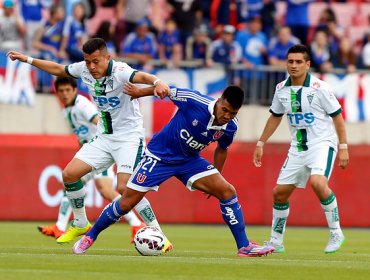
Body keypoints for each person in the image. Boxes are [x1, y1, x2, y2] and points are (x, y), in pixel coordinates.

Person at [7, 38, 173, 252]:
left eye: (96, 62)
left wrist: (157, 81)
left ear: (107, 58)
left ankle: (158, 232)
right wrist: (27, 59)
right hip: (104, 138)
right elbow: (58, 69)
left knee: (125, 188)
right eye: (88, 62)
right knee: (69, 175)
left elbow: (143, 77)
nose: (92, 67)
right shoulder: (84, 70)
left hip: (129, 138)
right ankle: (80, 222)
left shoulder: (121, 71)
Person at [72, 83, 275, 257]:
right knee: (126, 201)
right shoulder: (195, 101)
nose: (227, 116)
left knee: (227, 191)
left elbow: (222, 149)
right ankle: (90, 236)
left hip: (189, 161)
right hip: (159, 156)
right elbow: (165, 90)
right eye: (226, 110)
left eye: (233, 113)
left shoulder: (230, 126)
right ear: (220, 100)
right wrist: (138, 92)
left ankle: (244, 246)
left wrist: (216, 175)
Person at [253, 44, 349, 254]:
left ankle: (336, 232)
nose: (294, 66)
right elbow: (275, 116)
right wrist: (261, 142)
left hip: (322, 144)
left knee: (317, 182)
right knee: (279, 193)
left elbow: (338, 117)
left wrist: (343, 147)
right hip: (297, 148)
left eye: (298, 62)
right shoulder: (281, 89)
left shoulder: (320, 88)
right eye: (290, 61)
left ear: (307, 64)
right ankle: (276, 241)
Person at [38, 77, 145, 242]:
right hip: (91, 154)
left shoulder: (83, 106)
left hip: (101, 153)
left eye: (68, 90)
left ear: (75, 90)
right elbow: (80, 135)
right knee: (70, 183)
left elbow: (101, 122)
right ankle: (59, 227)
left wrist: (103, 147)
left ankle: (137, 223)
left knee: (106, 190)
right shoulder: (66, 109)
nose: (65, 94)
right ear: (56, 93)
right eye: (61, 91)